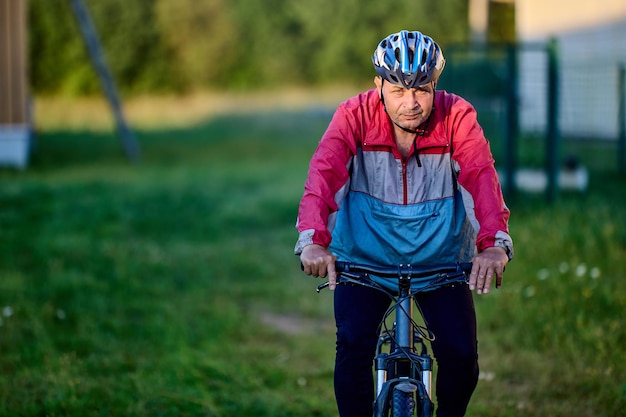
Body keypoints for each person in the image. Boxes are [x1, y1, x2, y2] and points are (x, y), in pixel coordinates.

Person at [295, 30, 513, 417]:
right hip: (364, 261)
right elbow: (323, 174)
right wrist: (312, 240)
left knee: (462, 355)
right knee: (353, 346)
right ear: (378, 84)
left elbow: (481, 176)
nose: (411, 103)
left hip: (440, 262)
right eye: (398, 90)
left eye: (422, 90)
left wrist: (494, 242)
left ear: (435, 86)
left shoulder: (456, 116)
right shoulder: (353, 116)